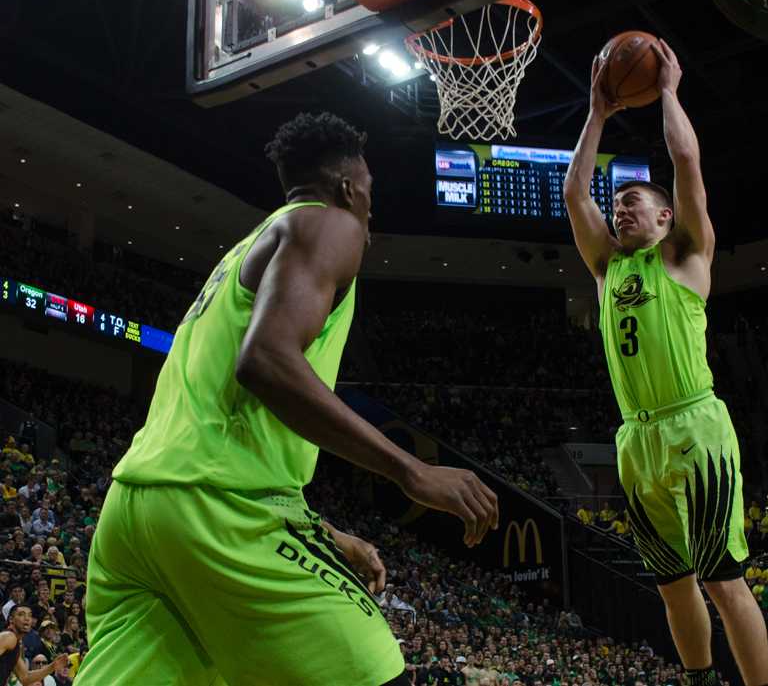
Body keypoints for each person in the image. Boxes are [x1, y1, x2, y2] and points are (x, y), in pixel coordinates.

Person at [74, 112, 499, 686]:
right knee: (379, 673)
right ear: (350, 189)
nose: (370, 210)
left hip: (134, 513)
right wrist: (410, 469)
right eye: (370, 193)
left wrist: (323, 533)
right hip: (219, 511)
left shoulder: (243, 254)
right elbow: (266, 362)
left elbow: (218, 432)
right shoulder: (331, 224)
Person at [563, 41, 768, 686]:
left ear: (665, 217)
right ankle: (699, 679)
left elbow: (685, 159)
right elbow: (575, 195)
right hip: (635, 437)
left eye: (633, 203)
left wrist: (670, 92)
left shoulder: (685, 256)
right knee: (671, 584)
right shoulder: (607, 268)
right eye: (616, 203)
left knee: (722, 580)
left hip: (693, 429)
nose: (619, 208)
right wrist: (597, 113)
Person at [1, 606, 67, 685]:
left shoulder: (16, 644)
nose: (27, 618)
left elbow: (25, 678)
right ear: (11, 619)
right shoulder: (9, 636)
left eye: (30, 615)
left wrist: (53, 666)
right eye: (21, 614)